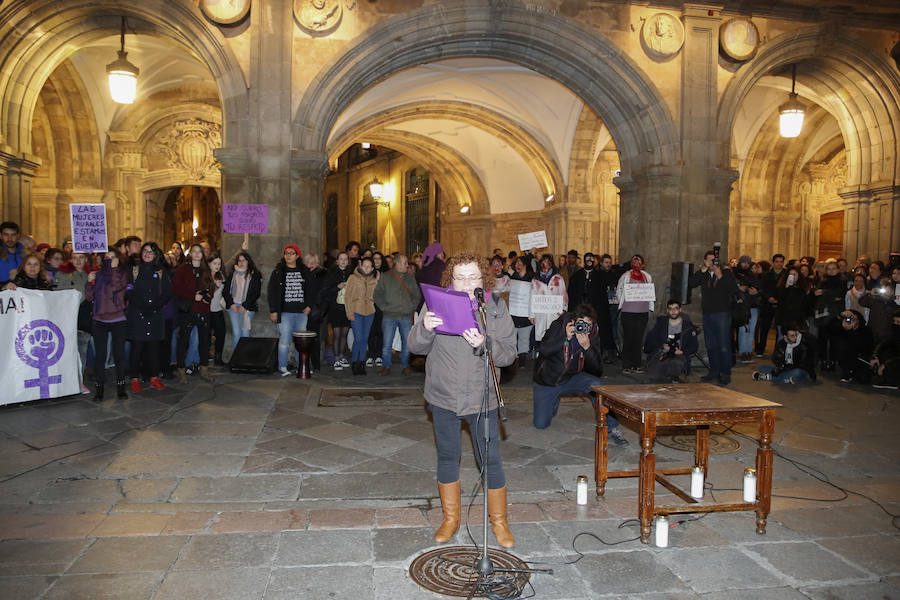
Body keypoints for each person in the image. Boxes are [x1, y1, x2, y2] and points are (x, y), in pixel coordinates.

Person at [408, 252, 517, 548]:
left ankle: (499, 522)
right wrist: (425, 327)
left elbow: (509, 354)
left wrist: (486, 344)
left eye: (473, 277)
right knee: (447, 456)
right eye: (460, 277)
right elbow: (415, 347)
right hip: (443, 394)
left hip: (482, 397)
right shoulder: (435, 304)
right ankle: (450, 518)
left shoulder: (494, 307)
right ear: (450, 280)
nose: (467, 283)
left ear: (483, 277)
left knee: (490, 460)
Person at [532, 304, 629, 445]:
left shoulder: (593, 333)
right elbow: (544, 350)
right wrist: (564, 338)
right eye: (580, 324)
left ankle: (612, 427)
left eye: (588, 325)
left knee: (598, 386)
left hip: (572, 377)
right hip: (549, 380)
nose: (583, 329)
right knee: (541, 424)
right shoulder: (559, 324)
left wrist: (587, 347)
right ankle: (553, 401)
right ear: (574, 320)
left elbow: (598, 369)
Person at [126, 242, 172, 391]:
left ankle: (154, 377)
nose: (147, 254)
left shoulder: (160, 271)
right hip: (137, 314)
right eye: (145, 251)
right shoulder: (133, 270)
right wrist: (142, 306)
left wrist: (154, 307)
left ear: (155, 255)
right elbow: (129, 290)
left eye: (151, 252)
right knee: (137, 347)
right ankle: (134, 378)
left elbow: (166, 293)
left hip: (154, 314)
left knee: (153, 348)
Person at [85, 250, 130, 401]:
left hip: (118, 318)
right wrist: (89, 282)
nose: (109, 260)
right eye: (106, 258)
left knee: (119, 355)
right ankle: (99, 389)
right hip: (100, 319)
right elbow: (90, 296)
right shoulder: (98, 275)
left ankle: (121, 387)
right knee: (100, 356)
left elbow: (116, 288)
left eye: (112, 257)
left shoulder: (122, 273)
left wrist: (114, 269)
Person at [689, 249, 739, 385]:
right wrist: (702, 270)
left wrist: (720, 275)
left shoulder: (726, 273)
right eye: (709, 260)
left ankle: (725, 373)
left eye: (714, 260)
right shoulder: (703, 274)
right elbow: (691, 283)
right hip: (708, 313)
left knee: (723, 345)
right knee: (711, 344)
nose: (712, 262)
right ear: (705, 261)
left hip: (722, 313)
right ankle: (714, 371)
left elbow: (733, 289)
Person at [373, 254, 421, 376]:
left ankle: (406, 366)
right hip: (389, 316)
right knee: (387, 343)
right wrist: (384, 307)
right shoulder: (386, 277)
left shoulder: (410, 278)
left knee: (406, 343)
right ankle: (386, 366)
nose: (407, 266)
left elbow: (417, 295)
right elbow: (377, 294)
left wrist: (411, 307)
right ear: (398, 263)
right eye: (405, 263)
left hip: (405, 316)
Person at [268, 244, 311, 376]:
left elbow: (311, 290)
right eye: (286, 253)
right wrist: (274, 310)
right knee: (285, 340)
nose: (288, 255)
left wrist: (309, 305)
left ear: (297, 256)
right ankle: (282, 366)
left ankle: (301, 365)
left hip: (301, 313)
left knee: (301, 342)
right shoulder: (278, 272)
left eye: (292, 253)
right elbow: (272, 292)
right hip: (285, 313)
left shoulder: (304, 271)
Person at [173, 243, 214, 383]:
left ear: (202, 254)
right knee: (183, 340)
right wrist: (192, 295)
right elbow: (177, 289)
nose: (197, 254)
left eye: (199, 251)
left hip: (203, 309)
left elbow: (211, 286)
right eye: (194, 251)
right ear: (190, 254)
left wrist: (209, 297)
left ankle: (204, 368)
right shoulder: (182, 269)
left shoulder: (206, 270)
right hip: (188, 309)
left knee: (204, 340)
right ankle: (181, 369)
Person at [567, 252, 615, 361]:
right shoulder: (577, 276)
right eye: (587, 259)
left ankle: (598, 353)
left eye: (591, 259)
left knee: (596, 332)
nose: (589, 261)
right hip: (580, 309)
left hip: (596, 310)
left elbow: (602, 296)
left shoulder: (599, 276)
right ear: (584, 260)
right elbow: (572, 294)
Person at [643, 299, 700, 382]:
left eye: (676, 308)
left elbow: (694, 346)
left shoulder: (688, 326)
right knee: (654, 375)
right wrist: (662, 345)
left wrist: (682, 351)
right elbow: (650, 340)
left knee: (675, 365)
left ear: (680, 310)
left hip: (679, 355)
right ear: (667, 310)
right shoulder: (661, 324)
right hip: (662, 353)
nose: (673, 311)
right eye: (670, 309)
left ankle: (673, 380)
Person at [616, 254, 654, 374]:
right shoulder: (625, 275)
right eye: (634, 261)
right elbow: (619, 289)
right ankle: (626, 364)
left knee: (638, 339)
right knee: (628, 338)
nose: (636, 263)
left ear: (643, 264)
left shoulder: (647, 276)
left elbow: (650, 292)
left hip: (642, 312)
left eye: (638, 261)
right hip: (628, 311)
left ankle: (636, 364)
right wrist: (623, 299)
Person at [344, 256, 379, 375]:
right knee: (358, 338)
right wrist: (349, 313)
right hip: (356, 311)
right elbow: (347, 296)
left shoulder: (374, 280)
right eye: (365, 266)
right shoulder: (353, 278)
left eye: (369, 266)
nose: (367, 268)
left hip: (369, 312)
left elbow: (377, 296)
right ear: (360, 266)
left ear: (372, 268)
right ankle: (354, 362)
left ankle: (362, 363)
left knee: (365, 339)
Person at [222, 250, 262, 350]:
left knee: (245, 333)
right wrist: (231, 304)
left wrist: (245, 306)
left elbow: (255, 293)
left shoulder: (254, 274)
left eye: (244, 260)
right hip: (233, 307)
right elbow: (226, 291)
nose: (241, 263)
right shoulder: (233, 273)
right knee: (236, 333)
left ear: (248, 261)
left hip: (247, 308)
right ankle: (236, 360)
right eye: (239, 261)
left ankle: (244, 360)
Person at [752, 325, 816, 384]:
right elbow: (775, 358)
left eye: (796, 335)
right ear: (785, 337)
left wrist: (784, 368)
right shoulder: (781, 343)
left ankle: (767, 377)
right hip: (786, 369)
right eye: (792, 336)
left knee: (797, 373)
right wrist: (779, 368)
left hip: (802, 370)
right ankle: (786, 379)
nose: (795, 337)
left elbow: (805, 364)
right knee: (762, 367)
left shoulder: (804, 343)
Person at [813, 259, 846, 370]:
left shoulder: (842, 281)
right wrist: (830, 296)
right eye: (829, 269)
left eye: (834, 269)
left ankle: (832, 361)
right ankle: (823, 361)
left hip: (836, 314)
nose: (831, 271)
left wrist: (824, 293)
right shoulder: (823, 282)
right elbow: (819, 295)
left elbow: (839, 295)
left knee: (834, 340)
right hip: (824, 314)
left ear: (838, 270)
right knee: (822, 339)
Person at [324, 251, 352, 370]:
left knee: (344, 334)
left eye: (345, 259)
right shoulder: (331, 273)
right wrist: (337, 287)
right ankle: (336, 358)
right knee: (337, 334)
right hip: (335, 307)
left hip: (347, 307)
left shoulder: (352, 273)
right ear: (337, 260)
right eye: (341, 259)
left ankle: (342, 356)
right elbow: (326, 290)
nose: (343, 261)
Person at [530, 254, 567, 344]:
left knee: (553, 336)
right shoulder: (535, 280)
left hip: (555, 313)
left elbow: (564, 295)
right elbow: (531, 297)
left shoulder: (558, 278)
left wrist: (563, 310)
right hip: (540, 313)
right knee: (541, 337)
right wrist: (531, 315)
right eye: (544, 261)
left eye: (548, 261)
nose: (545, 264)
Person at [830, 309, 874, 384]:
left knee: (863, 379)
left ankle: (853, 372)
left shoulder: (866, 330)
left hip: (861, 358)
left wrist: (853, 331)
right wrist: (840, 317)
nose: (852, 321)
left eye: (854, 319)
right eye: (849, 319)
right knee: (841, 346)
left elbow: (862, 347)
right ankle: (847, 372)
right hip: (847, 357)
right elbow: (829, 329)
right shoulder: (842, 329)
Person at [859, 268, 899, 346]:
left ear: (893, 291)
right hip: (872, 332)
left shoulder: (894, 305)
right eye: (885, 289)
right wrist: (870, 294)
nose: (888, 291)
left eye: (890, 290)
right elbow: (861, 302)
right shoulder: (875, 300)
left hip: (886, 336)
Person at [756, 253, 785, 356]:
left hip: (781, 305)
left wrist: (779, 299)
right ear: (773, 263)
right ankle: (761, 349)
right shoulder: (766, 274)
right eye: (777, 262)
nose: (779, 264)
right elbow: (762, 288)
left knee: (780, 330)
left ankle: (778, 351)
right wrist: (769, 297)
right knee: (765, 328)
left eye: (781, 262)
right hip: (767, 304)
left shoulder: (786, 274)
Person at [302, 253, 327, 372]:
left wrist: (310, 307)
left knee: (314, 338)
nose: (310, 265)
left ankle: (315, 364)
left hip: (314, 311)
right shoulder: (302, 273)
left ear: (317, 263)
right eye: (307, 262)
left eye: (312, 262)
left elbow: (321, 293)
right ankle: (303, 363)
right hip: (302, 310)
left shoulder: (322, 274)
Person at [733, 255, 760, 363]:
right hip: (742, 306)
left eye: (748, 263)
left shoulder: (752, 275)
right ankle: (743, 352)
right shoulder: (734, 273)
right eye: (744, 262)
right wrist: (739, 288)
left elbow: (757, 287)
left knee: (751, 330)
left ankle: (748, 351)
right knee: (743, 330)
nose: (746, 265)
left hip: (752, 305)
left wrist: (755, 291)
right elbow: (732, 286)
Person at [509, 256, 534, 367]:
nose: (517, 266)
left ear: (525, 265)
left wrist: (532, 255)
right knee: (512, 338)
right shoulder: (511, 277)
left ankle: (522, 361)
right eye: (516, 263)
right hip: (513, 314)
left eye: (520, 263)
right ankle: (512, 360)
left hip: (526, 315)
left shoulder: (532, 278)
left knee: (524, 338)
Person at [870, 313, 900, 389]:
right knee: (887, 351)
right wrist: (875, 356)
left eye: (898, 322)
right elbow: (883, 345)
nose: (895, 324)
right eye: (894, 322)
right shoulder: (894, 335)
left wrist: (885, 365)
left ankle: (893, 381)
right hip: (894, 359)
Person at [207, 253, 227, 366]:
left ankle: (218, 358)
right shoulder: (205, 276)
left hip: (217, 310)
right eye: (215, 263)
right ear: (209, 264)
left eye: (219, 263)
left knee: (221, 334)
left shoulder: (221, 276)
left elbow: (223, 293)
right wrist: (214, 285)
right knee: (206, 336)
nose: (217, 266)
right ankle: (203, 357)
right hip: (206, 310)